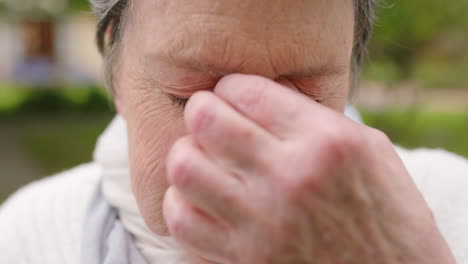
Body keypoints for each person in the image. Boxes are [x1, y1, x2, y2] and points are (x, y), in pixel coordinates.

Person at [1, 0, 467, 263]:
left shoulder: (454, 205)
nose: (245, 144)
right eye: (187, 97)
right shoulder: (27, 238)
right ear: (116, 69)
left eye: (305, 94)